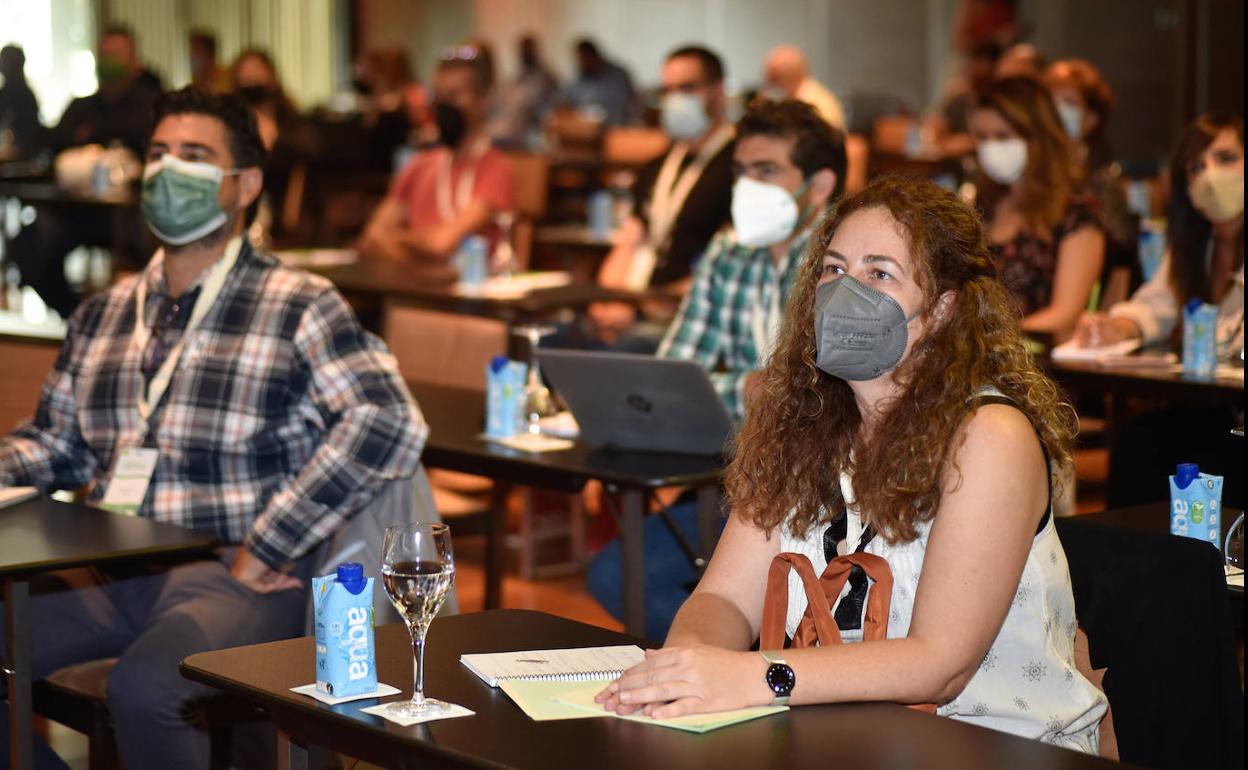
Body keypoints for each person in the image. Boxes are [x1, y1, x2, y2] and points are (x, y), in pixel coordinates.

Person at [593, 174, 1108, 752]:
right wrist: (686, 670)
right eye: (834, 270)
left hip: (994, 744)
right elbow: (723, 598)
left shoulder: (989, 435)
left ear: (941, 310)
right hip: (841, 736)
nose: (845, 292)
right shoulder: (802, 422)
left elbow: (941, 665)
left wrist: (755, 677)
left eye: (879, 274)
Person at [0, 88, 425, 770]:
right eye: (159, 155)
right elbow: (58, 443)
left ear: (246, 185)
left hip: (232, 574)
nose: (171, 173)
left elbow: (386, 421)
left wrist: (272, 539)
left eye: (195, 157)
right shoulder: (105, 313)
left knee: (142, 690)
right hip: (104, 574)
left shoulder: (298, 302)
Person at [586, 100, 847, 641]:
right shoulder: (729, 251)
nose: (748, 185)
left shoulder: (846, 262)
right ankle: (735, 675)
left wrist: (743, 391)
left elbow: (815, 396)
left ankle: (760, 673)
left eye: (767, 171)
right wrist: (747, 389)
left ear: (819, 186)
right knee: (617, 575)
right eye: (741, 171)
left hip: (827, 496)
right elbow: (673, 377)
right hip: (733, 483)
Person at [1075, 114, 1244, 508]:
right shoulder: (1191, 247)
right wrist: (1117, 326)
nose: (1211, 176)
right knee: (1139, 441)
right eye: (1196, 167)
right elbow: (1155, 306)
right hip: (1209, 410)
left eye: (1226, 158)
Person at [583, 45, 735, 351]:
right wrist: (607, 304)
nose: (675, 100)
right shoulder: (657, 166)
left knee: (629, 347)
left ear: (718, 92)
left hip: (688, 314)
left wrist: (638, 308)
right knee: (562, 337)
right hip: (637, 305)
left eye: (687, 88)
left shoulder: (740, 168)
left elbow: (724, 272)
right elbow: (629, 241)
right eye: (667, 90)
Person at [9, 26, 162, 318]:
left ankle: (134, 319)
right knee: (28, 244)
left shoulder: (151, 105)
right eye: (105, 54)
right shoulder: (82, 106)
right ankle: (78, 316)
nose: (110, 61)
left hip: (130, 214)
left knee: (143, 254)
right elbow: (50, 146)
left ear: (134, 61)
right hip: (77, 210)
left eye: (117, 55)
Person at [970, 76, 1105, 341]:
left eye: (1002, 136)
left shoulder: (1076, 213)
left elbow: (1064, 315)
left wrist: (995, 342)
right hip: (977, 358)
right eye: (982, 138)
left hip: (1039, 366)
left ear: (1037, 137)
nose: (990, 148)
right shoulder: (985, 204)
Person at [359, 41, 514, 263]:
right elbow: (372, 237)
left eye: (454, 96)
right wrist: (420, 257)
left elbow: (442, 243)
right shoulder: (421, 163)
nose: (444, 106)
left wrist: (401, 240)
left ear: (483, 100)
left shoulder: (495, 168)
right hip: (414, 291)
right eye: (439, 97)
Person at [1044, 58, 1138, 308]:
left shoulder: (1101, 181)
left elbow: (1121, 261)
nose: (1056, 111)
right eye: (1049, 101)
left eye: (1069, 103)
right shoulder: (1034, 180)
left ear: (1092, 118)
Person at [488, 34, 559, 150]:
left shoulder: (547, 77)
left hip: (536, 128)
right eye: (522, 50)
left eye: (527, 49)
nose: (524, 53)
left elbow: (552, 107)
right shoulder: (517, 77)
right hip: (516, 128)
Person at [761, 45, 847, 131]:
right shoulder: (801, 97)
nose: (769, 86)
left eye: (774, 79)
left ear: (788, 76)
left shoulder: (816, 105)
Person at [560, 39, 639, 126]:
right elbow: (565, 102)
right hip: (584, 131)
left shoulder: (618, 77)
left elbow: (628, 108)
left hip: (615, 129)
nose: (581, 63)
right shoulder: (577, 79)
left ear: (593, 56)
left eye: (584, 59)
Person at [0, 44, 43, 160]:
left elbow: (30, 138)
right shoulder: (4, 94)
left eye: (6, 61)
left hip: (23, 161)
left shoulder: (25, 96)